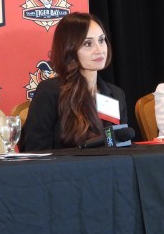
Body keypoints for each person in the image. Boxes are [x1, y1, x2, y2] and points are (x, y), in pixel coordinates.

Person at [20, 12, 127, 151]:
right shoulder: (50, 91)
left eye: (101, 40)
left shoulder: (116, 94)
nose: (99, 50)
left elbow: (123, 148)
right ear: (69, 49)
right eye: (88, 44)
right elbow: (34, 150)